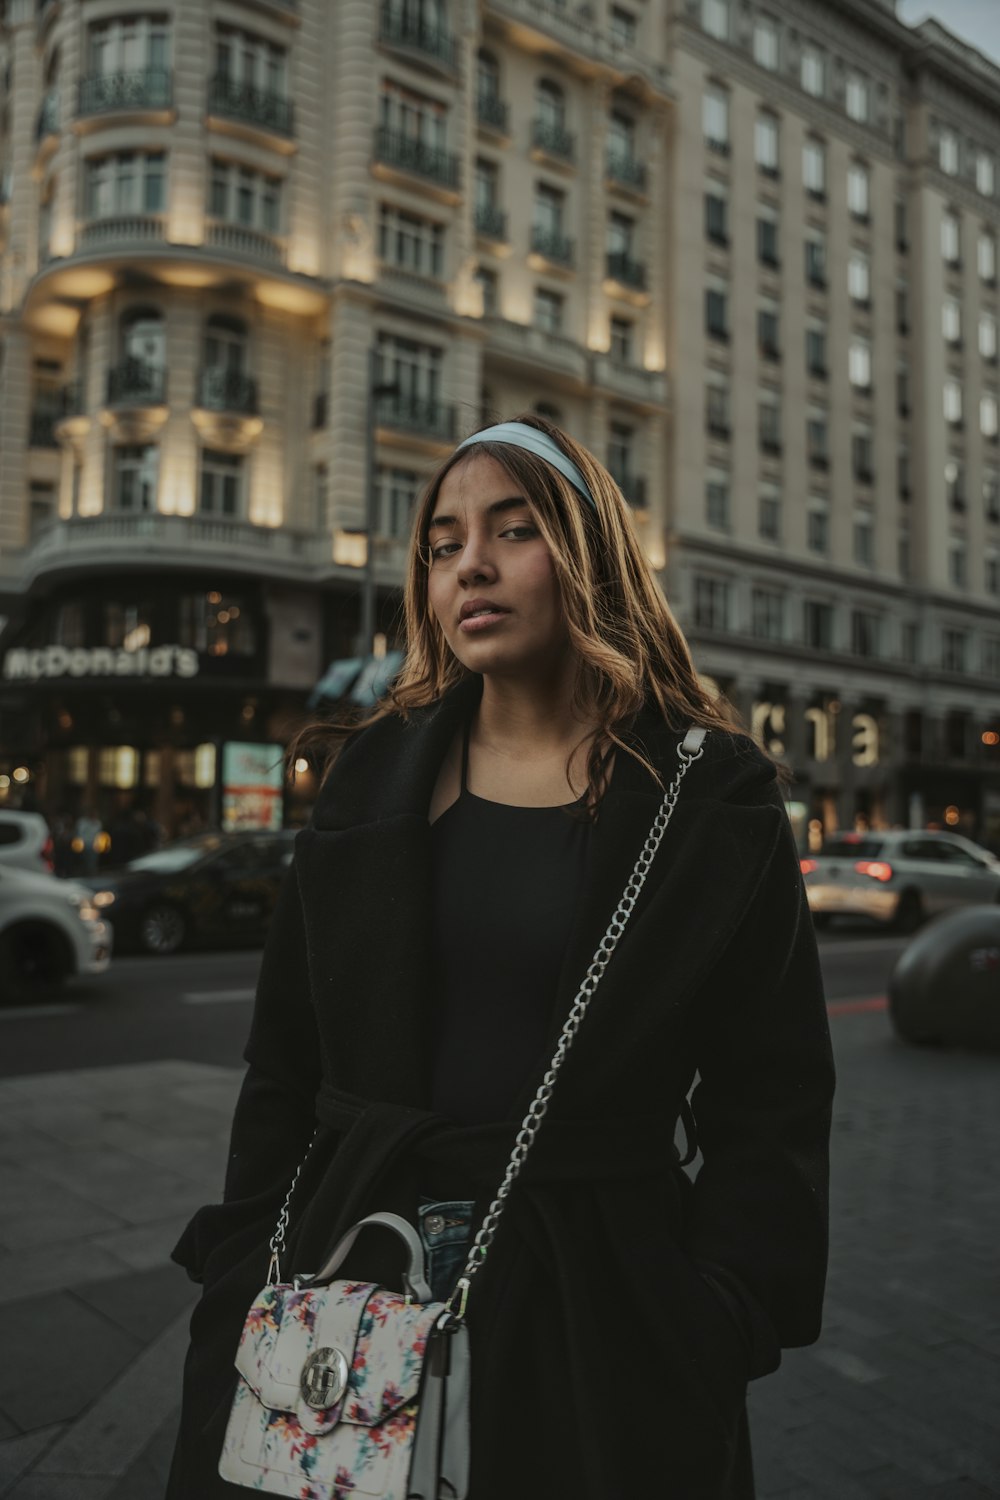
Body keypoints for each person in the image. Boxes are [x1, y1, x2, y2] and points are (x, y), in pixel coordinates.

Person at [167, 413, 835, 1500]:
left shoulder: (708, 797)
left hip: (597, 1313)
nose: (469, 562)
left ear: (590, 553)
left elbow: (775, 1095)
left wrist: (719, 1314)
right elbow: (282, 1066)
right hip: (347, 1270)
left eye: (513, 530)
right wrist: (243, 1268)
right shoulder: (368, 780)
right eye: (441, 543)